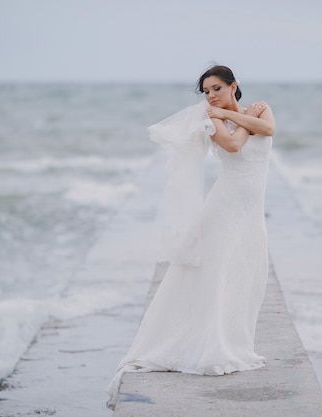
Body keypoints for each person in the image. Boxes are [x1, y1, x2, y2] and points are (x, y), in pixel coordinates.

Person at [105, 65, 276, 409]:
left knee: (247, 273)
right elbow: (230, 145)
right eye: (206, 91)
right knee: (213, 272)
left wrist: (232, 115)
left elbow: (269, 128)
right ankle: (205, 344)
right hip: (225, 204)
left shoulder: (261, 108)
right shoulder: (210, 119)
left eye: (216, 88)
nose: (210, 96)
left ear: (233, 86)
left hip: (250, 208)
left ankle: (234, 339)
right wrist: (235, 117)